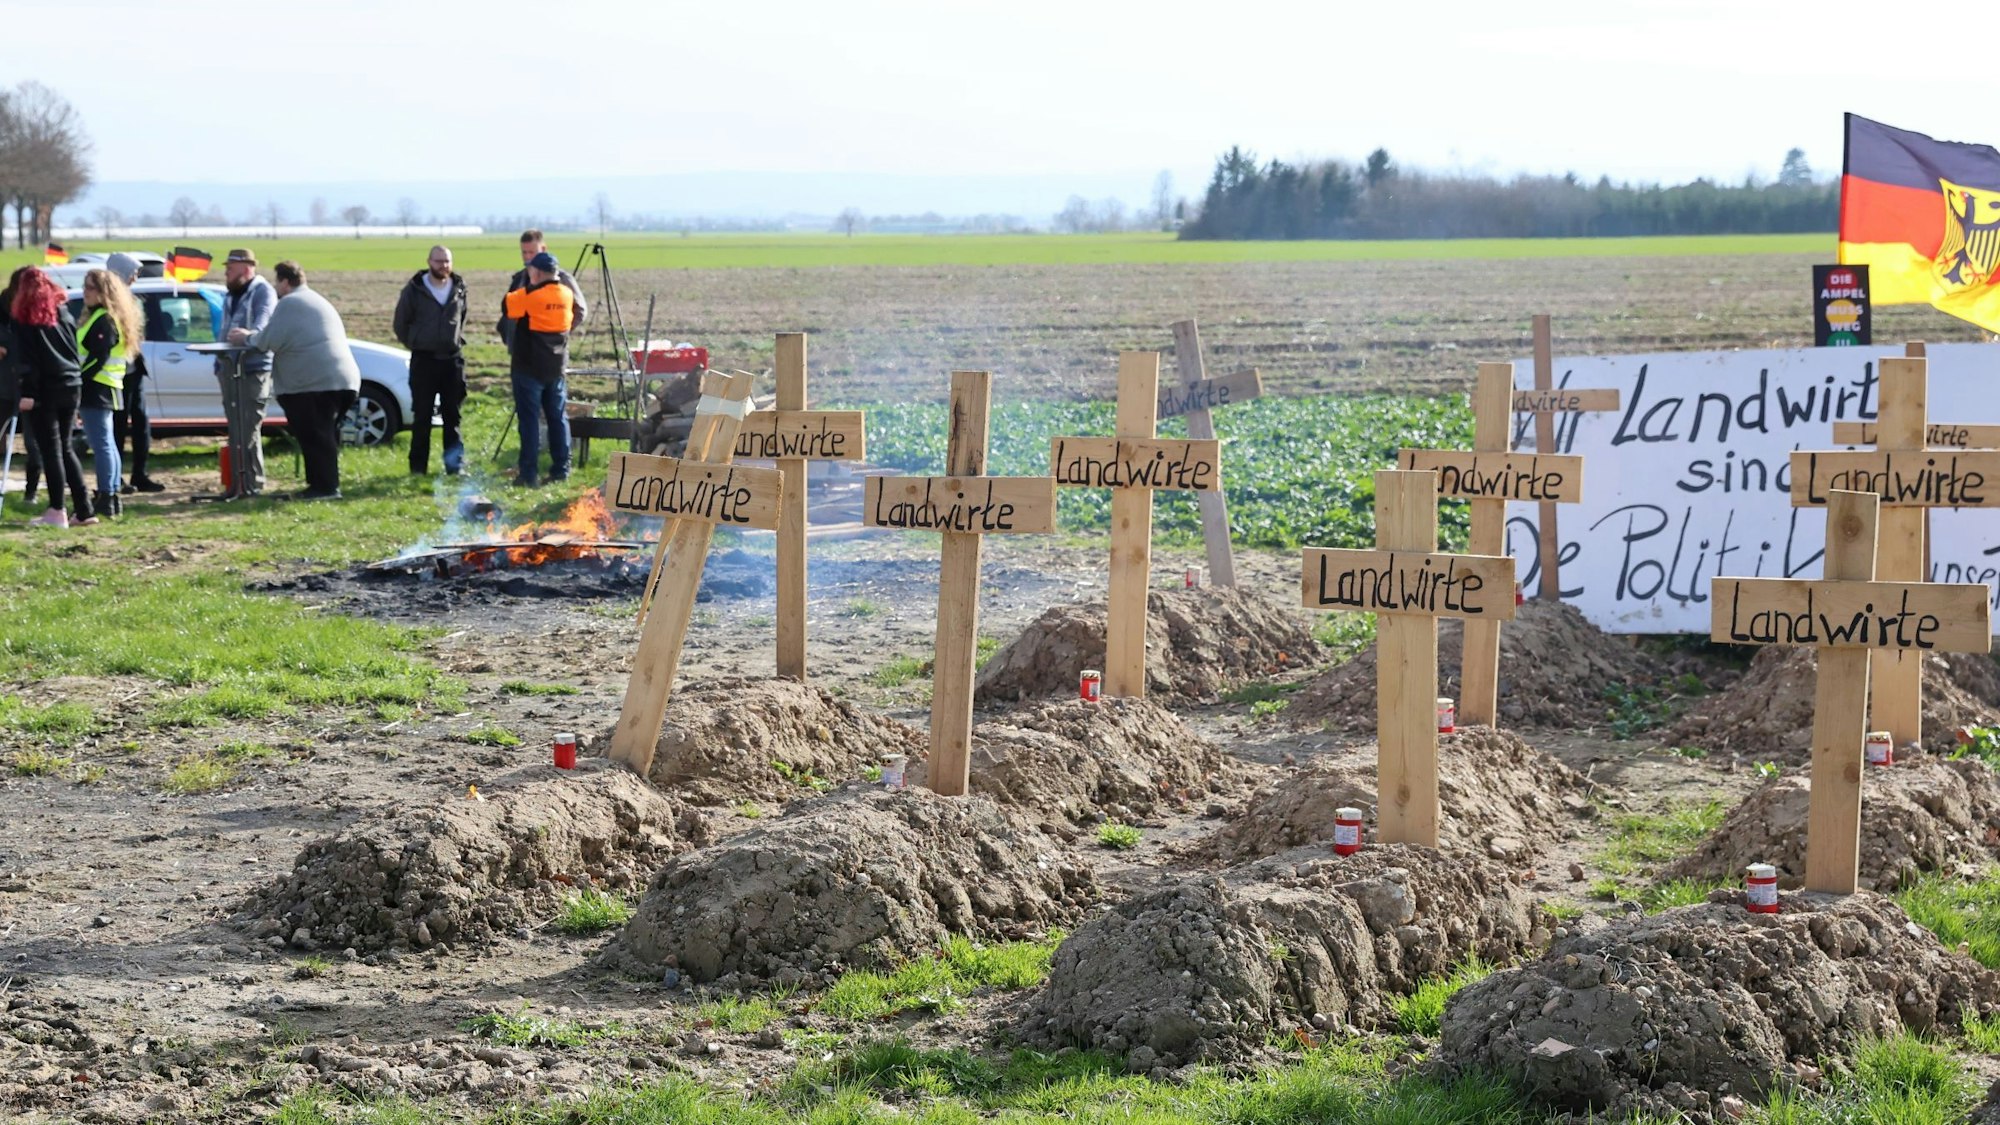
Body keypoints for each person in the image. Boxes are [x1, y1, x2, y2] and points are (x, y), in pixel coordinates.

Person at [228, 262, 360, 500]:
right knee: (321, 435)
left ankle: (325, 488)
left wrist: (247, 337)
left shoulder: (290, 303)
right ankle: (321, 486)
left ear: (286, 282)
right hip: (341, 381)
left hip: (314, 384)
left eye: (277, 282)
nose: (276, 288)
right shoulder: (316, 300)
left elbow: (269, 340)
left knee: (315, 436)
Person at [9, 266, 90, 526]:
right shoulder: (63, 313)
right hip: (72, 383)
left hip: (45, 389)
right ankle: (84, 509)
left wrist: (28, 393)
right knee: (65, 448)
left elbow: (28, 361)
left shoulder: (24, 319)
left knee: (51, 451)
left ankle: (57, 510)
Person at [391, 245, 468, 475]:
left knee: (452, 416)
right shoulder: (414, 290)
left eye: (447, 261)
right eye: (438, 261)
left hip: (452, 361)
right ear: (429, 262)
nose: (443, 266)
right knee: (422, 416)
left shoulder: (459, 288)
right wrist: (416, 342)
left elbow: (462, 317)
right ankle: (418, 468)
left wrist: (454, 339)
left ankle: (454, 466)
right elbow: (400, 323)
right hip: (424, 361)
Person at [501, 251, 574, 486]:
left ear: (538, 273)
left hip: (529, 368)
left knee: (530, 422)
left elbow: (507, 305)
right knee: (558, 418)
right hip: (556, 367)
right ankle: (561, 469)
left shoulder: (529, 296)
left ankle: (528, 474)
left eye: (531, 269)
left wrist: (526, 285)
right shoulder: (567, 294)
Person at [76, 269, 142, 518]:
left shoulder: (104, 319)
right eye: (84, 286)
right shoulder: (103, 316)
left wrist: (78, 381)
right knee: (106, 443)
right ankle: (110, 493)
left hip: (97, 386)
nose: (85, 292)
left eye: (90, 288)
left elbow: (98, 357)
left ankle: (107, 495)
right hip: (105, 385)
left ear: (104, 292)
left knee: (102, 443)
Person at [218, 248, 276, 499]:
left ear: (246, 268)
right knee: (235, 428)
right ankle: (236, 483)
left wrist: (248, 336)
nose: (227, 273)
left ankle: (252, 483)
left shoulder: (263, 292)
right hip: (230, 369)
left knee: (249, 426)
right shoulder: (230, 296)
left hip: (254, 368)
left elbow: (263, 325)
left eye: (231, 269)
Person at [104, 251, 164, 493]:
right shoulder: (107, 302)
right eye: (133, 274)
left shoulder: (133, 300)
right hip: (117, 372)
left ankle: (140, 474)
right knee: (117, 425)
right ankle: (115, 478)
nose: (135, 279)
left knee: (141, 423)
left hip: (135, 368)